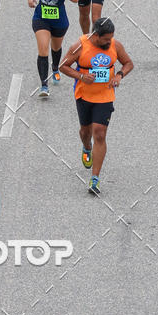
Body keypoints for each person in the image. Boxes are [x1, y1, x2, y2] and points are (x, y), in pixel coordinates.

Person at [59, 18, 133, 196]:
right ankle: (86, 147)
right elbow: (63, 66)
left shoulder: (115, 45)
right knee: (86, 132)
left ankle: (95, 178)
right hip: (84, 95)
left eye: (111, 37)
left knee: (99, 132)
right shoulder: (80, 46)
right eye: (106, 38)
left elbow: (128, 63)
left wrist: (119, 75)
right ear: (96, 35)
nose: (110, 41)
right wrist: (81, 76)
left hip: (105, 95)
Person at [28, 0, 78, 98]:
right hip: (41, 18)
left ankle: (55, 67)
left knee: (55, 47)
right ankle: (44, 85)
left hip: (59, 21)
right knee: (43, 49)